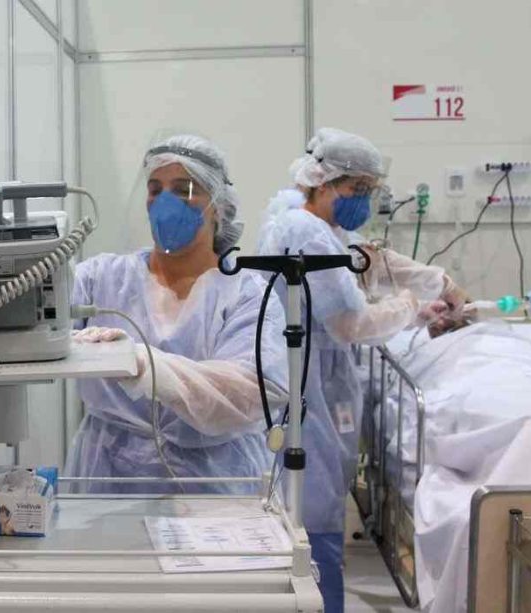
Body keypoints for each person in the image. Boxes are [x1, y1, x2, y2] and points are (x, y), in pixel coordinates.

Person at [257, 127, 464, 612]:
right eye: (357, 189)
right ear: (323, 181)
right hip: (307, 381)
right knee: (314, 498)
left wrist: (429, 294)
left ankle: (317, 592)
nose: (364, 200)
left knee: (315, 493)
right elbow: (349, 324)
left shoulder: (317, 226)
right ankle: (321, 600)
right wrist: (409, 305)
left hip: (315, 374)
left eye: (371, 189)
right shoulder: (306, 231)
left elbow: (369, 261)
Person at [66, 134, 289, 495]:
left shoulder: (247, 294)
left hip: (215, 480)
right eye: (155, 189)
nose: (165, 202)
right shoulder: (101, 278)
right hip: (109, 476)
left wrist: (147, 366)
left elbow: (251, 392)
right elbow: (40, 325)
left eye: (184, 190)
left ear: (218, 206)